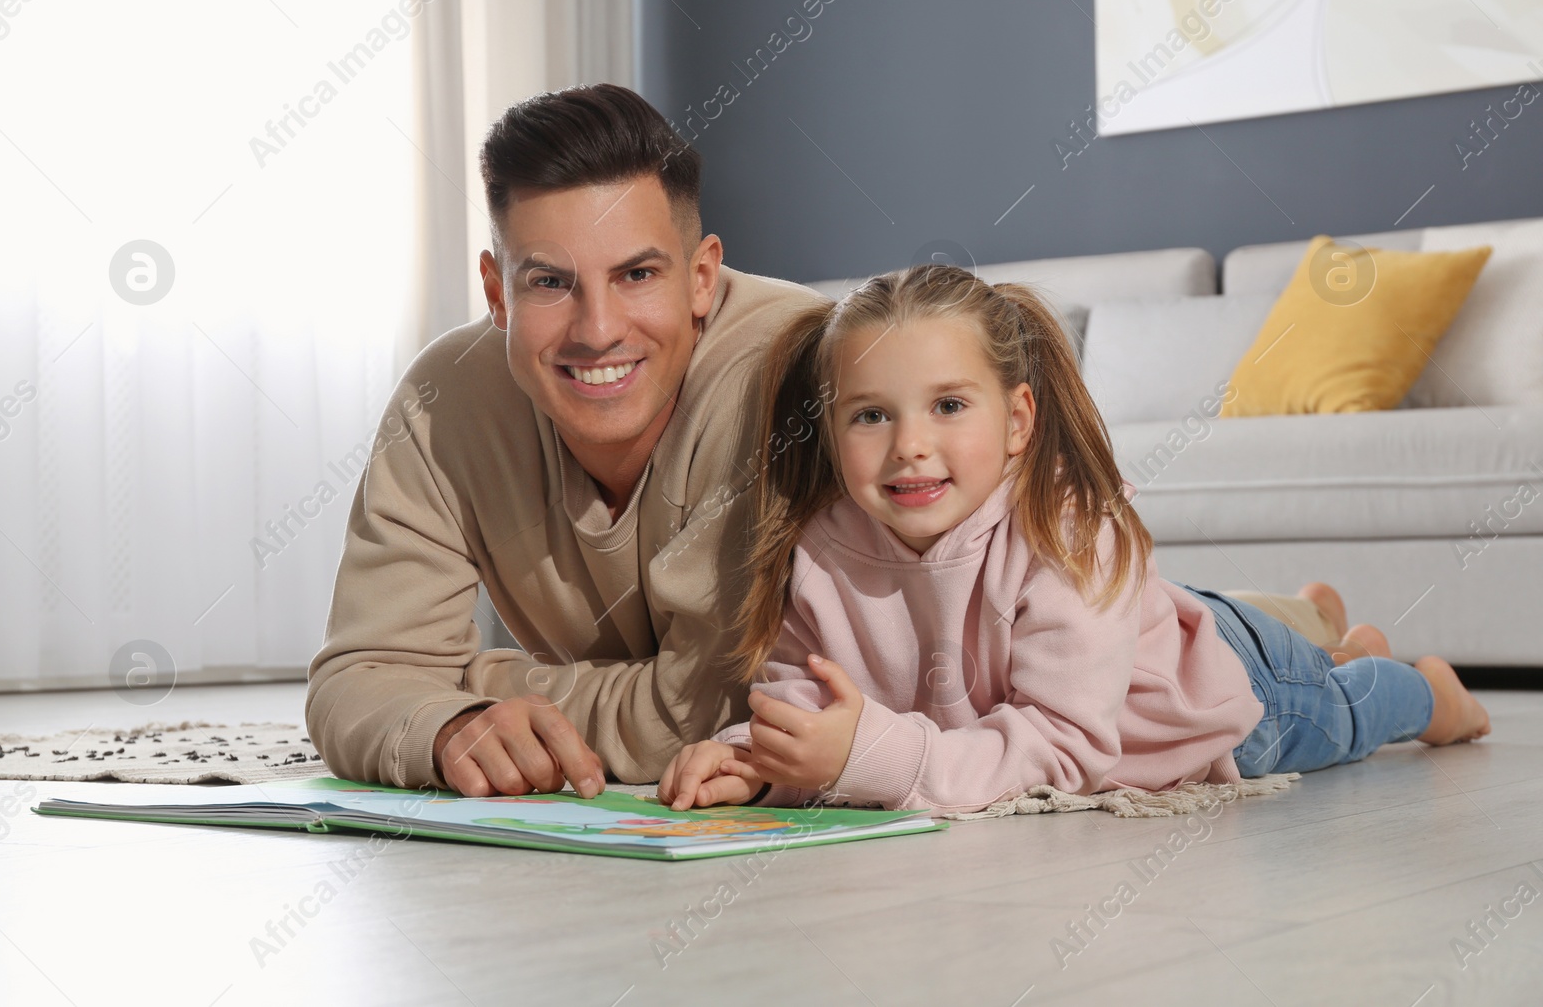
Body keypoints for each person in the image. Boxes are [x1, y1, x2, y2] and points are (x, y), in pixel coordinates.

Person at [658, 264, 1491, 813]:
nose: (910, 443)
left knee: (1337, 713)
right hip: (1151, 619)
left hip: (1205, 690)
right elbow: (811, 701)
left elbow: (1065, 745)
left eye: (949, 406)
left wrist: (879, 757)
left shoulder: (1068, 533)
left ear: (1019, 420)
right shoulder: (823, 547)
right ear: (832, 430)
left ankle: (1419, 686)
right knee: (1243, 621)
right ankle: (1317, 622)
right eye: (871, 414)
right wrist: (755, 755)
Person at [305, 84, 826, 795]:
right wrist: (457, 725)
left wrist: (471, 680)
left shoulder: (791, 372)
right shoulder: (444, 400)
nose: (598, 330)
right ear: (497, 293)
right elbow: (356, 678)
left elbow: (713, 709)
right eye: (550, 282)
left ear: (701, 278)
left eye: (637, 274)